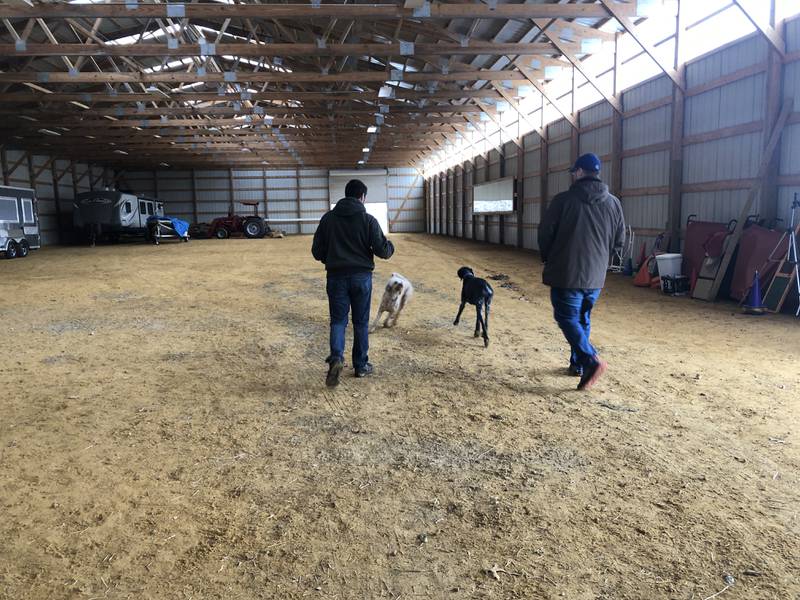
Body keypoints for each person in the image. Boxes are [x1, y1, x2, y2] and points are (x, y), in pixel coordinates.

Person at [537, 153, 625, 391]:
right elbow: (619, 239)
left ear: (578, 172)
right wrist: (602, 262)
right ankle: (577, 365)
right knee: (583, 318)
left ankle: (590, 359)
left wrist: (548, 257)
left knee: (566, 317)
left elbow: (545, 233)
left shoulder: (563, 200)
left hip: (567, 272)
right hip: (595, 276)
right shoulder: (614, 203)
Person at [312, 179, 395, 387]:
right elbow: (383, 251)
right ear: (362, 197)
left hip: (336, 277)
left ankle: (337, 358)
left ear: (346, 194)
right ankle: (360, 366)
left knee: (338, 321)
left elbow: (317, 251)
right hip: (361, 278)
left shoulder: (328, 219)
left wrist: (330, 259)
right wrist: (390, 246)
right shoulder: (368, 220)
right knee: (360, 322)